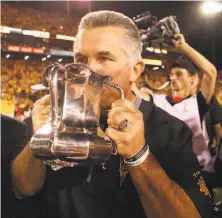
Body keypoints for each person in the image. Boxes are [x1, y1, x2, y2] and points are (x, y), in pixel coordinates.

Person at [9, 11, 213, 218]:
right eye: (81, 59)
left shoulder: (171, 131)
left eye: (104, 58)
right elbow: (21, 188)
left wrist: (139, 157)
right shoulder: (49, 118)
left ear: (135, 70)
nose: (88, 69)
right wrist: (39, 141)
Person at [143, 34, 218, 170]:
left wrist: (183, 47)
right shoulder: (158, 101)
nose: (173, 78)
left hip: (199, 170)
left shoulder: (198, 102)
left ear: (192, 79)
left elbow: (211, 72)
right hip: (169, 171)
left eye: (179, 74)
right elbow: (134, 93)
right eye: (171, 74)